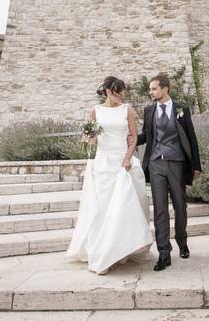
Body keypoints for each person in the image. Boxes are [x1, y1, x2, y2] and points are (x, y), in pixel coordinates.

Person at [66, 76, 152, 274]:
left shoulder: (127, 110)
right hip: (103, 164)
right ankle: (103, 251)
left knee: (124, 207)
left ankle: (121, 251)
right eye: (116, 92)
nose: (121, 95)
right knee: (102, 210)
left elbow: (133, 138)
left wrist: (128, 158)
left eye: (123, 92)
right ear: (107, 92)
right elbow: (92, 141)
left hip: (123, 162)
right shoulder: (95, 112)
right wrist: (88, 137)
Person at [134, 73, 202, 271]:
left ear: (165, 89)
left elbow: (191, 138)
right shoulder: (149, 110)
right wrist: (126, 138)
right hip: (155, 164)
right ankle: (164, 253)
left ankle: (182, 242)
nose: (151, 92)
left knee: (180, 206)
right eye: (150, 89)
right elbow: (146, 135)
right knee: (161, 210)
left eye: (154, 88)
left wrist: (197, 165)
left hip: (177, 163)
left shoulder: (182, 109)